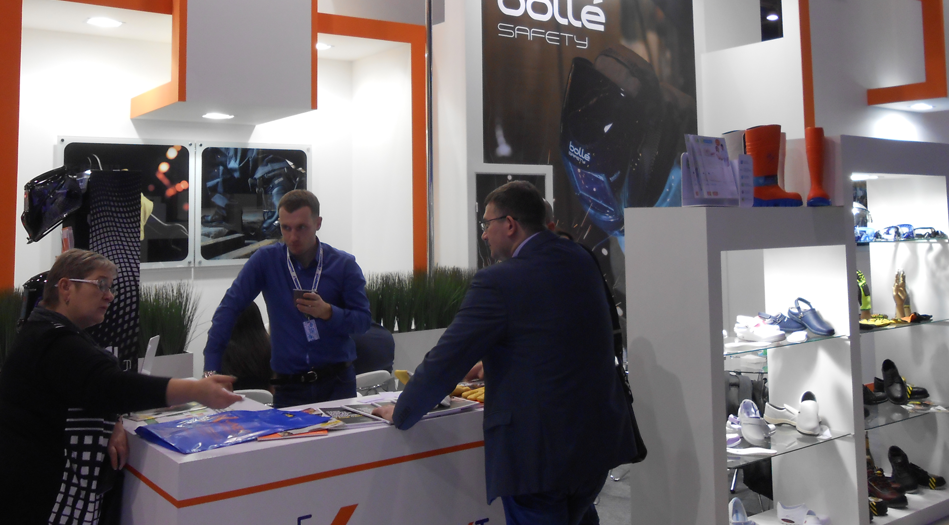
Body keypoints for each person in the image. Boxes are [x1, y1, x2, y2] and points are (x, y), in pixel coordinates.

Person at [373, 181, 635, 525]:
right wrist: (497, 360)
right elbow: (561, 335)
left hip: (538, 457)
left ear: (509, 224)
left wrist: (402, 411)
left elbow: (446, 361)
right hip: (596, 445)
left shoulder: (498, 281)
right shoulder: (581, 258)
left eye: (487, 223)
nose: (484, 234)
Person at [0, 249, 241, 525]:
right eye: (101, 284)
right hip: (34, 496)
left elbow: (91, 387)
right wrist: (195, 391)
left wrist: (113, 419)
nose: (110, 295)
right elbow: (111, 386)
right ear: (66, 287)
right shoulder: (54, 342)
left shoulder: (47, 331)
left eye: (110, 287)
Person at [203, 189, 371, 408]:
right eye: (285, 228)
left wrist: (328, 312)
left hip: (337, 383)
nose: (293, 237)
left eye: (301, 227)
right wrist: (211, 370)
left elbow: (363, 322)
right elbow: (229, 309)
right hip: (289, 388)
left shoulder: (343, 265)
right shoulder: (266, 261)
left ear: (318, 223)